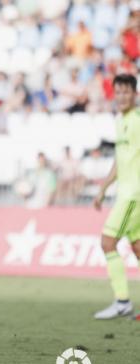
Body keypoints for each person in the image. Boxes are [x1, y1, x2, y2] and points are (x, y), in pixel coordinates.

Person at [92, 74, 140, 320]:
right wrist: (103, 188)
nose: (122, 96)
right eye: (118, 92)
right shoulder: (121, 120)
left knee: (108, 243)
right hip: (127, 193)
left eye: (126, 92)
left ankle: (122, 301)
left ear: (135, 94)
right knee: (138, 248)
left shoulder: (137, 121)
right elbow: (120, 161)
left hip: (134, 196)